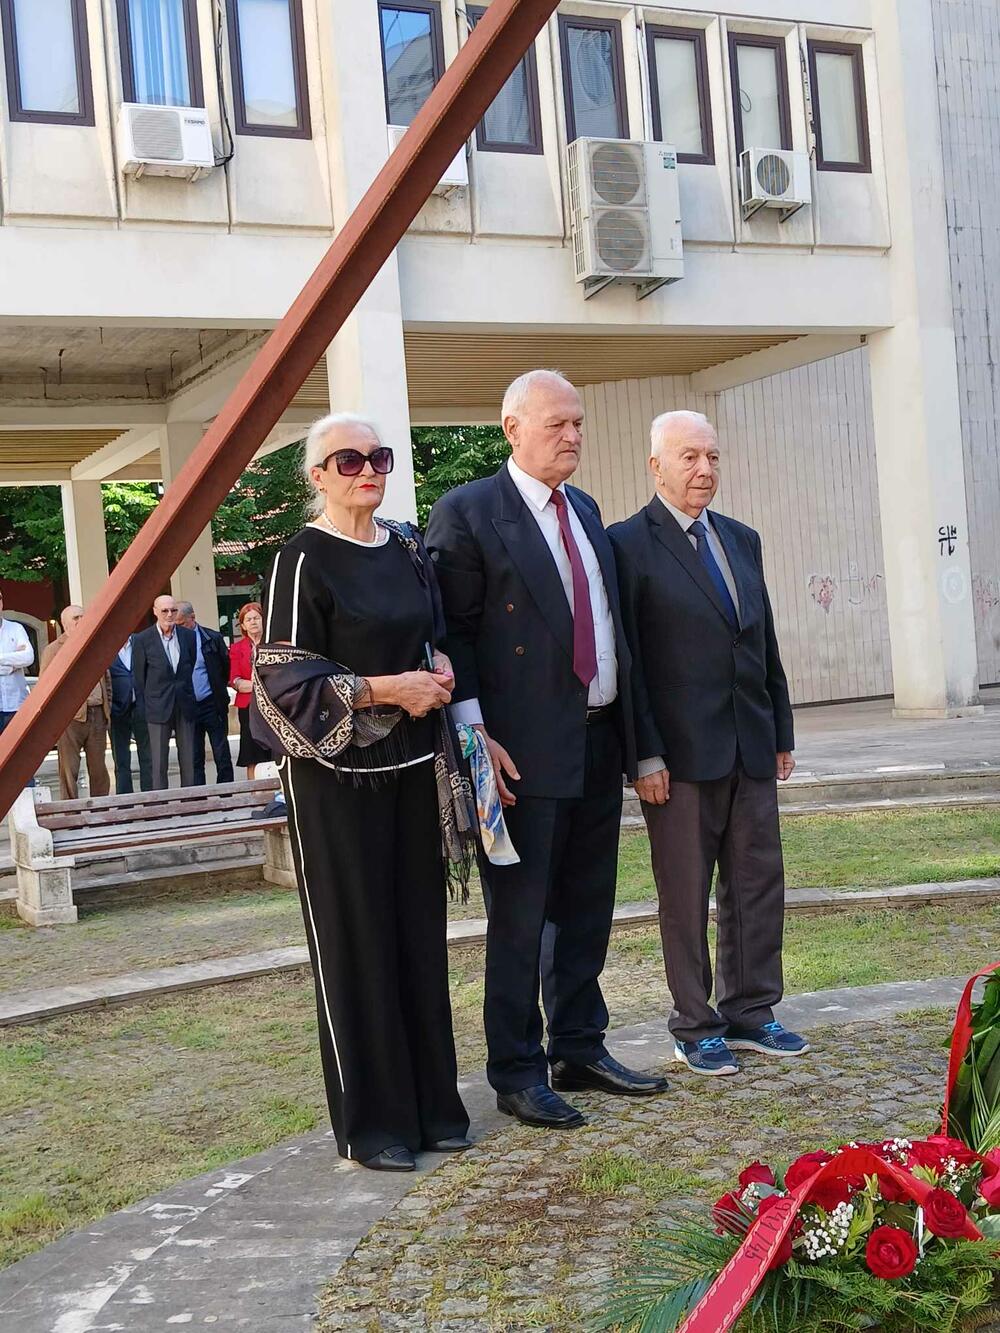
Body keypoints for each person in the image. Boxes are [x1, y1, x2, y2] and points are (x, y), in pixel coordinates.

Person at [425, 369, 669, 1131]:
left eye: (580, 423)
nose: (573, 436)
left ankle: (579, 1044)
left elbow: (609, 625)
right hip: (519, 753)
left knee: (587, 908)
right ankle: (517, 1069)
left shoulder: (585, 509)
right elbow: (450, 634)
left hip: (598, 742)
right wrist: (475, 735)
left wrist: (637, 742)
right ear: (511, 427)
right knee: (522, 918)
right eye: (557, 422)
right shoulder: (467, 513)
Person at [256, 411, 470, 1172]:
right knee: (356, 945)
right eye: (348, 460)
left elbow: (432, 632)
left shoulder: (408, 548)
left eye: (378, 456)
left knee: (418, 939)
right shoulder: (301, 559)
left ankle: (434, 1108)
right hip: (334, 784)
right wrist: (386, 689)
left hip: (413, 772)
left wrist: (436, 669)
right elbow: (278, 680)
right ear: (316, 475)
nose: (368, 470)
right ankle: (373, 1123)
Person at [609, 410, 808, 1077]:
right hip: (678, 759)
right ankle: (695, 1024)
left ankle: (751, 1008)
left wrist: (780, 729)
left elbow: (762, 642)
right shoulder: (626, 545)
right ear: (656, 465)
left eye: (713, 457)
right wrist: (644, 754)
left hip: (750, 745)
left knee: (757, 883)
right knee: (687, 893)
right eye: (689, 456)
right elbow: (629, 661)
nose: (704, 470)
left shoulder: (741, 539)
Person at [40, 605, 112, 800]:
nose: (81, 620)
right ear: (64, 624)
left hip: (97, 714)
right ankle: (70, 812)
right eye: (76, 618)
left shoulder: (95, 645)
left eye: (83, 616)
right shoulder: (53, 650)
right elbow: (44, 687)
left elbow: (107, 680)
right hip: (69, 718)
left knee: (99, 769)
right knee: (69, 769)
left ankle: (100, 808)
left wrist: (107, 709)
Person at [131, 595, 197, 790]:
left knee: (188, 758)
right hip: (157, 705)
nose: (169, 615)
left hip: (184, 703)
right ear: (155, 611)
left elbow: (189, 665)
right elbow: (139, 677)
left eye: (173, 610)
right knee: (158, 761)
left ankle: (191, 802)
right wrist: (150, 701)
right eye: (164, 611)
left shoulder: (188, 636)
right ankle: (161, 804)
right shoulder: (143, 639)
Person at [176, 601, 235, 785]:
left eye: (181, 624)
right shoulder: (174, 643)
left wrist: (219, 693)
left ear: (192, 618)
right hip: (188, 707)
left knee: (221, 751)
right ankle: (198, 797)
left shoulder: (211, 638)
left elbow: (225, 669)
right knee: (194, 755)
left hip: (212, 702)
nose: (177, 628)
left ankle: (226, 792)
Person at [229, 602, 270, 778]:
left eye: (256, 618)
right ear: (243, 625)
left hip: (273, 706)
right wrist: (264, 684)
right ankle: (254, 794)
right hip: (248, 707)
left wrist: (250, 684)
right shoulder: (237, 648)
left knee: (274, 751)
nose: (253, 622)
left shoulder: (273, 645)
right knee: (251, 753)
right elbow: (235, 681)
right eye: (248, 619)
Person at [109, 635, 153, 794]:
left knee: (147, 756)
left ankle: (150, 797)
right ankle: (125, 800)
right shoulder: (106, 648)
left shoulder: (140, 643)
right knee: (121, 759)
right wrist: (111, 707)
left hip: (142, 707)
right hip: (118, 710)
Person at [0, 590, 34, 743]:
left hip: (16, 704)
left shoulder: (16, 628)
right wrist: (12, 664)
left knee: (18, 753)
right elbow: (20, 658)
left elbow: (28, 657)